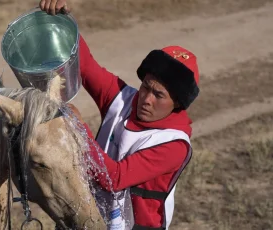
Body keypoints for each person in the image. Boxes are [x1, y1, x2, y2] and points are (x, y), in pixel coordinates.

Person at [39, 1, 200, 229]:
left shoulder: (173, 145)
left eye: (158, 95)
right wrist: (63, 20)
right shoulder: (124, 99)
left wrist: (77, 128)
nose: (146, 99)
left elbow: (114, 179)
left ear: (177, 104)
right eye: (145, 86)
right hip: (91, 216)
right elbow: (86, 68)